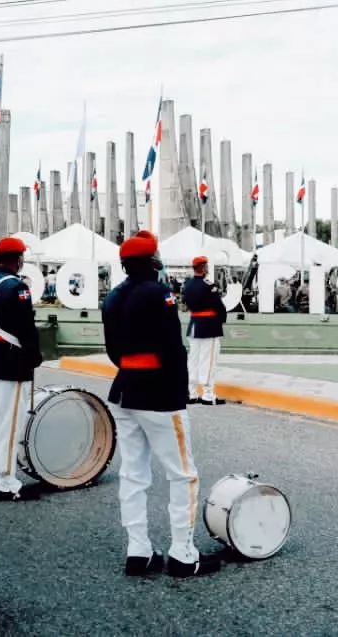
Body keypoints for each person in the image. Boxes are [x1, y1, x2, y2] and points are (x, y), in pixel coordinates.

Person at [102, 231, 219, 579]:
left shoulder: (113, 297)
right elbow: (172, 349)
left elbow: (112, 351)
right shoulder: (160, 294)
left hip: (125, 390)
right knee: (183, 474)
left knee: (133, 473)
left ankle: (137, 551)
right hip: (158, 393)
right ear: (152, 261)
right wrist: (177, 392)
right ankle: (183, 554)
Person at [0, 237, 43, 501]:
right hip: (9, 359)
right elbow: (26, 326)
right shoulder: (18, 287)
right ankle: (6, 481)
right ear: (19, 259)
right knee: (8, 422)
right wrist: (34, 355)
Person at [181, 256, 227, 405]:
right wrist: (222, 319)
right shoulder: (209, 285)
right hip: (209, 326)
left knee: (193, 360)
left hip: (194, 325)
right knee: (209, 361)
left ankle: (192, 393)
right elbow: (218, 306)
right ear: (203, 268)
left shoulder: (187, 285)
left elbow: (186, 303)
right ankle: (208, 395)